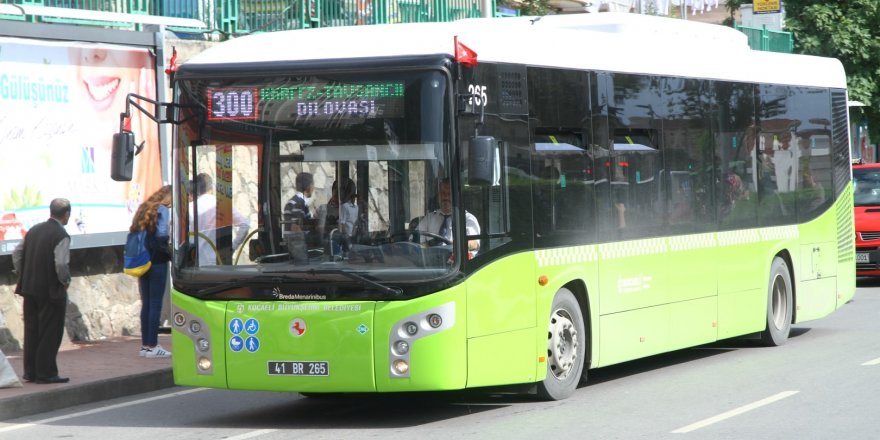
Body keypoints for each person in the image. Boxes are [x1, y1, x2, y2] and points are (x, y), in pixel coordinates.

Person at [12, 198, 73, 384]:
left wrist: (23, 273)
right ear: (67, 214)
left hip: (29, 288)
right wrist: (65, 281)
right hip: (50, 290)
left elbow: (17, 253)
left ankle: (30, 372)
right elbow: (61, 263)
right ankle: (46, 373)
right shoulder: (61, 234)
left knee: (32, 330)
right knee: (50, 331)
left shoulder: (34, 230)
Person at [130, 185, 172, 358]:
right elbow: (162, 235)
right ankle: (153, 346)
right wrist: (169, 250)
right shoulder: (162, 210)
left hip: (142, 261)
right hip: (157, 262)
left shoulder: (143, 209)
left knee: (146, 303)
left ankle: (145, 346)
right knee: (155, 304)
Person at [188, 173, 250, 266]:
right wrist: (232, 247)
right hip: (218, 263)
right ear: (211, 188)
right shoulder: (222, 205)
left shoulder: (190, 208)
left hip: (195, 263)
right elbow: (245, 225)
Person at [416, 178, 480, 258]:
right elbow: (416, 240)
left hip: (457, 264)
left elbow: (474, 243)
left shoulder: (468, 219)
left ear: (456, 196)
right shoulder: (429, 218)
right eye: (443, 193)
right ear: (438, 195)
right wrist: (428, 248)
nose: (446, 197)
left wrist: (456, 245)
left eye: (449, 194)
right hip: (430, 264)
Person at [338, 192, 360, 259]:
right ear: (352, 198)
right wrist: (345, 232)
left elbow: (356, 220)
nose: (356, 200)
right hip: (346, 232)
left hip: (354, 232)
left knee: (353, 250)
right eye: (355, 198)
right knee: (347, 250)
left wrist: (355, 230)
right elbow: (342, 221)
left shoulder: (357, 207)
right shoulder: (345, 206)